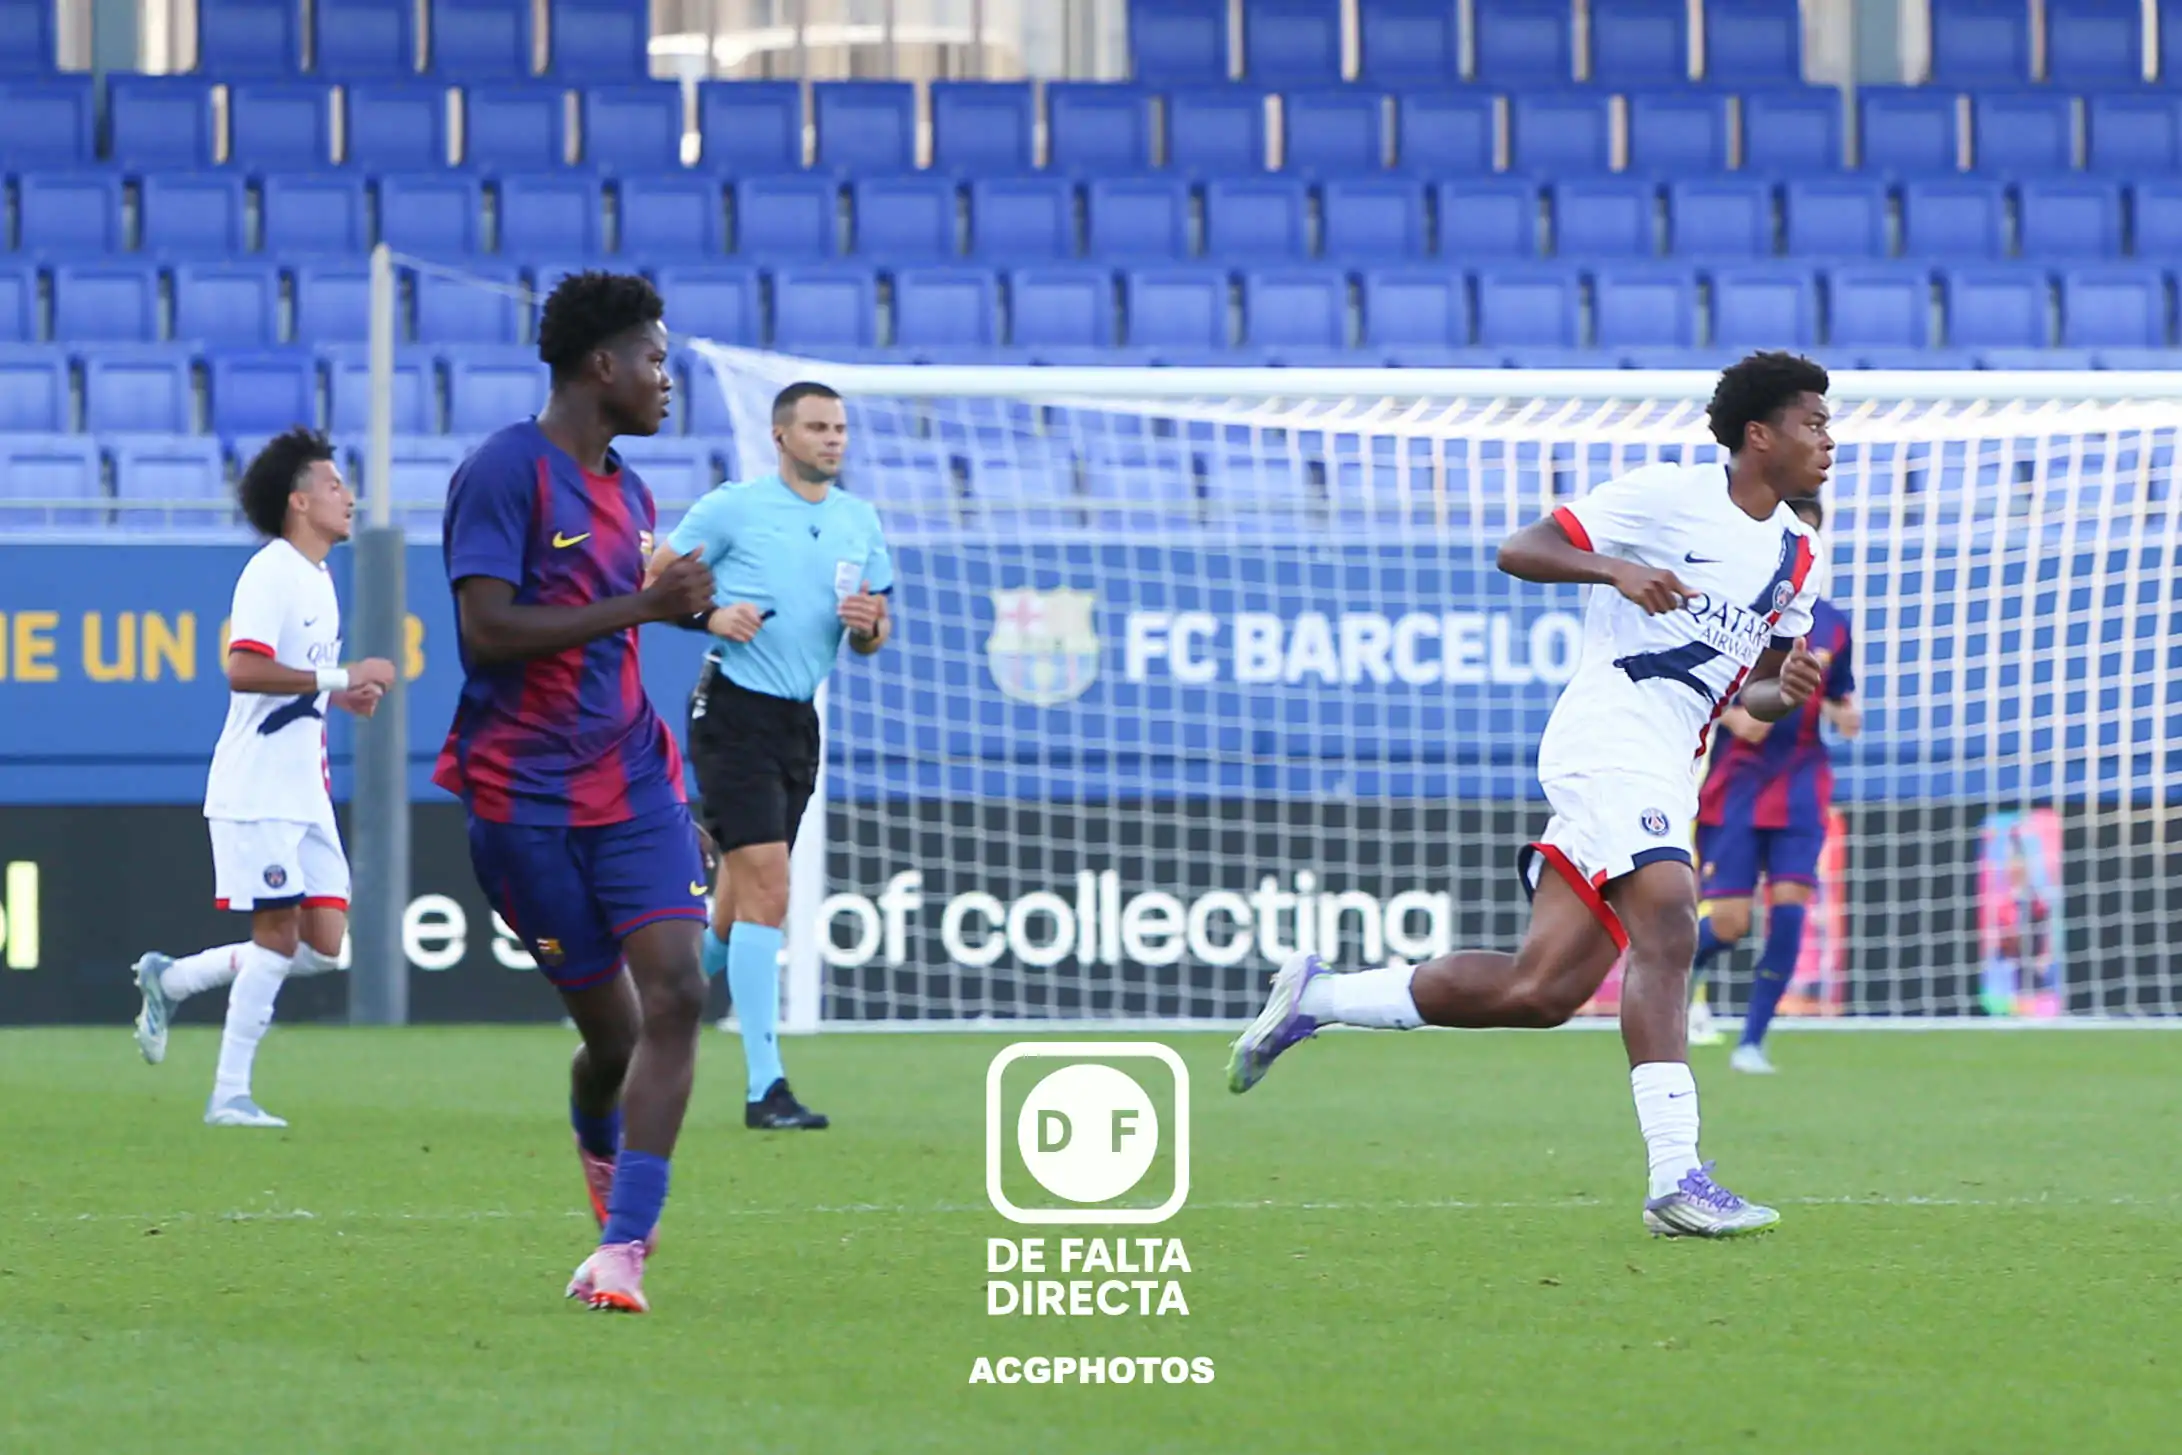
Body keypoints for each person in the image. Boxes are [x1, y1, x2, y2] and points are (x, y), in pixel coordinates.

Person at [1227, 351, 1835, 1240]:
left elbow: (1759, 690)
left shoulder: (1799, 554)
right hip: (1606, 736)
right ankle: (1677, 1175)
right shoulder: (1668, 495)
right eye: (1813, 423)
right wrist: (1615, 571)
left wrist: (1792, 688)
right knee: (1670, 917)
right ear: (1759, 434)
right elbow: (1522, 548)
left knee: (1540, 989)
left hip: (1671, 763)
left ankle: (1319, 998)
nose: (1828, 440)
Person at [434, 271, 719, 1313]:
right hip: (524, 802)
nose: (665, 380)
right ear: (601, 366)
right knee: (613, 1043)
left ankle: (624, 1249)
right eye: (653, 360)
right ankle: (600, 1156)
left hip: (632, 776)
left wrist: (672, 613)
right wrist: (643, 604)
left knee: (681, 991)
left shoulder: (631, 492)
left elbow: (619, 616)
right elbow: (488, 633)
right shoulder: (505, 473)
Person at [130, 428, 396, 1128]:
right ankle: (229, 1095)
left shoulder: (318, 576)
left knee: (324, 945)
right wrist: (342, 675)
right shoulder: (271, 570)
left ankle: (175, 977)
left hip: (303, 786)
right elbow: (242, 669)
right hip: (257, 788)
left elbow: (285, 681)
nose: (349, 496)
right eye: (335, 485)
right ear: (299, 500)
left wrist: (338, 695)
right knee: (277, 938)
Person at [648, 381, 894, 1130]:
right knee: (770, 889)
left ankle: (656, 1004)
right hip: (732, 710)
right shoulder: (735, 506)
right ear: (782, 435)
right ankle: (766, 1087)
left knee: (738, 904)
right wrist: (711, 613)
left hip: (797, 720)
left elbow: (877, 627)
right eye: (818, 426)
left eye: (841, 427)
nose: (833, 439)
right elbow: (653, 578)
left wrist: (865, 626)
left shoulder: (859, 521)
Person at [1689, 496, 1860, 1074]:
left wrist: (1844, 713)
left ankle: (1752, 1043)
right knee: (1730, 922)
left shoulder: (1833, 622)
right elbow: (1704, 688)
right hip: (1738, 784)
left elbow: (1839, 693)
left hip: (1801, 784)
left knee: (1789, 908)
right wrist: (1736, 718)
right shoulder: (1732, 610)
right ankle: (1675, 975)